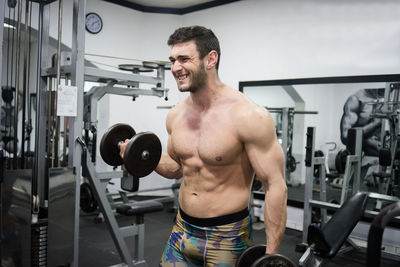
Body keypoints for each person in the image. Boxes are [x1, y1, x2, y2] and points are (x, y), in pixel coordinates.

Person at [121, 25, 287, 266]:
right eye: (172, 60)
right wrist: (138, 155)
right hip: (181, 230)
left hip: (227, 237)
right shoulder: (176, 115)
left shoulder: (249, 116)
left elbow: (275, 186)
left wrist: (271, 257)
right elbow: (176, 167)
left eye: (184, 59)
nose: (175, 68)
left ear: (211, 59)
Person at [340, 88, 384, 157]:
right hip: (363, 159)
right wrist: (375, 124)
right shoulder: (356, 100)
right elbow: (345, 136)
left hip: (387, 157)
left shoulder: (392, 95)